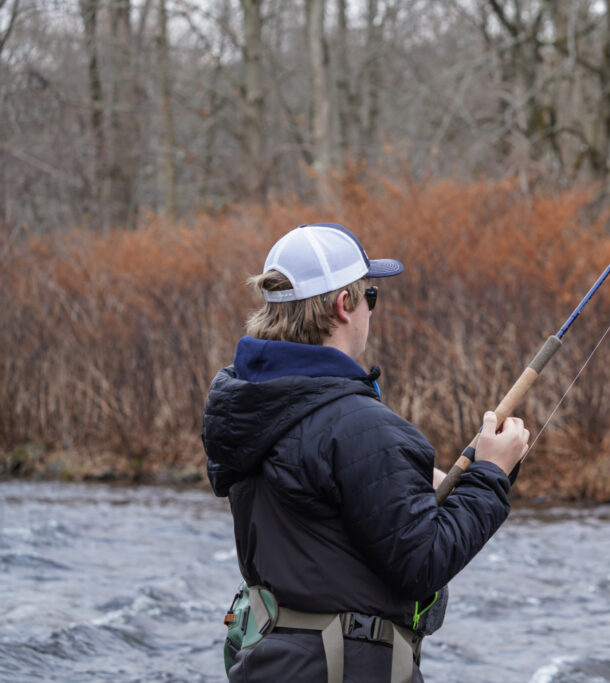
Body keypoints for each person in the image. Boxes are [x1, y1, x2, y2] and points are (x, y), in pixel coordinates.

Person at [202, 222, 529, 682]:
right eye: (370, 297)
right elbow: (422, 564)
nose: (371, 311)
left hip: (269, 666)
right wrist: (492, 473)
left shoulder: (246, 405)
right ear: (344, 305)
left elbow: (323, 510)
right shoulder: (358, 427)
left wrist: (430, 480)